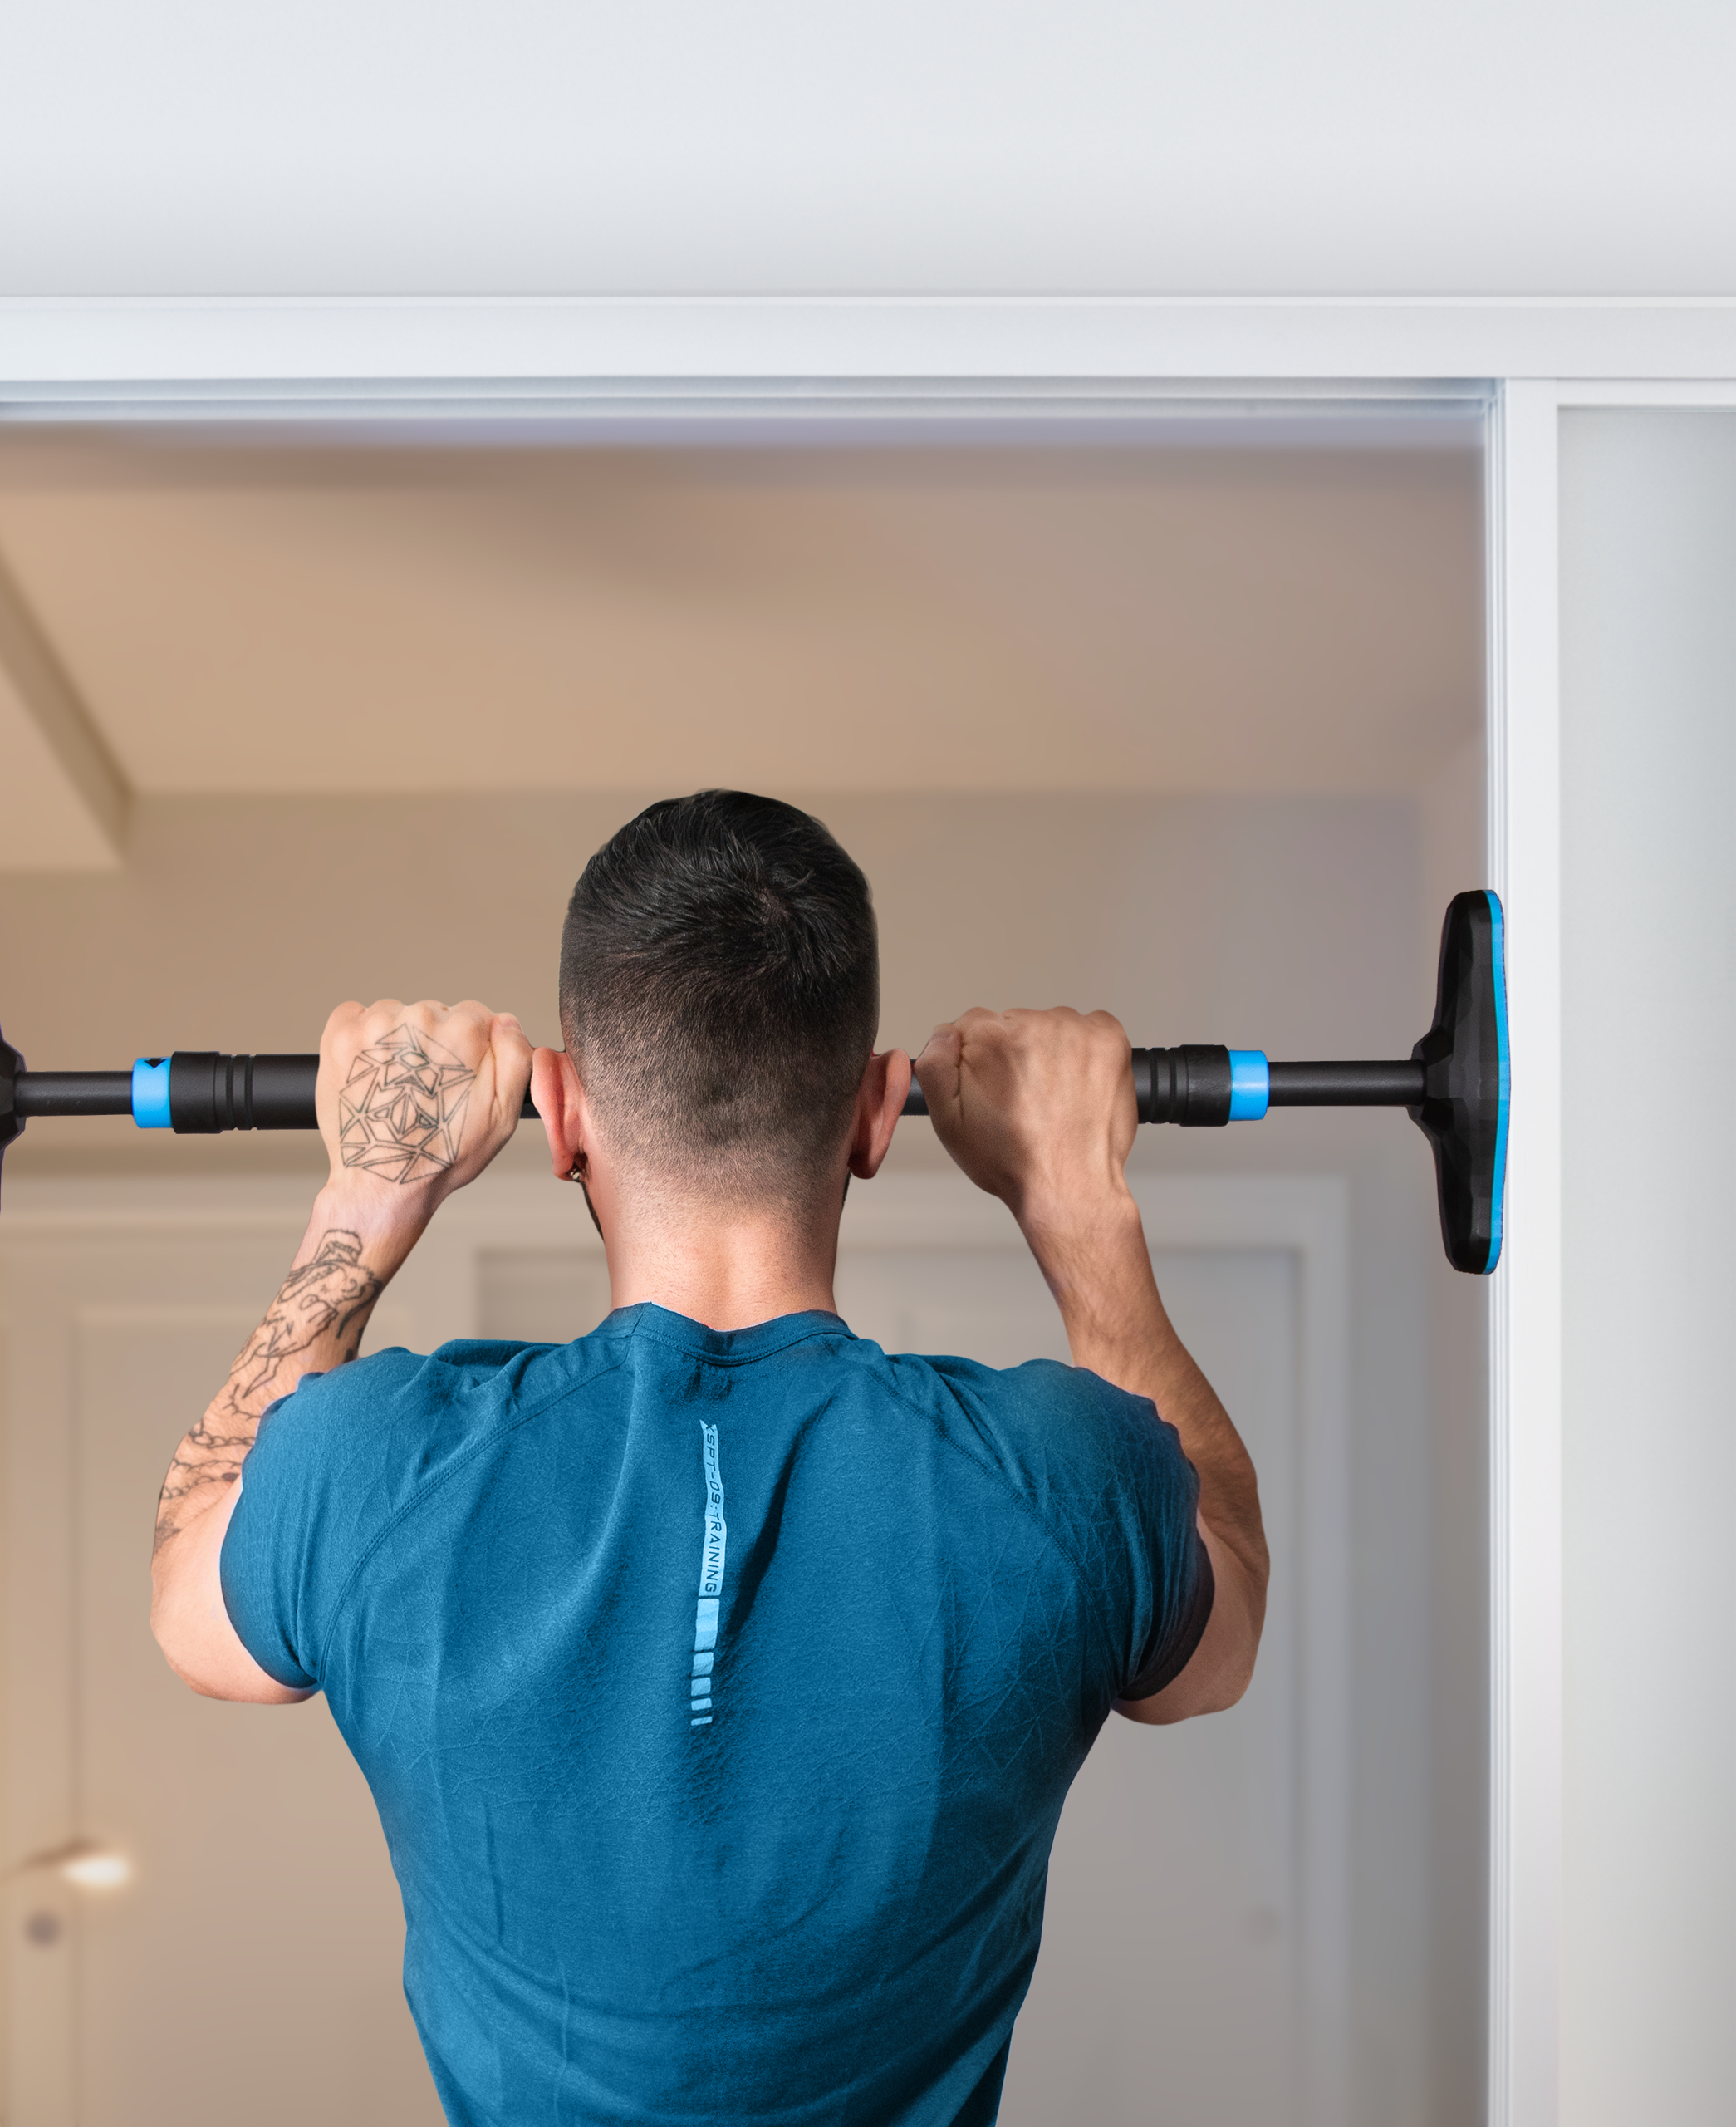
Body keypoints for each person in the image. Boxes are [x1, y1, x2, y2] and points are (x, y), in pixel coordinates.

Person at [149, 790, 1268, 2127]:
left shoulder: (376, 1469)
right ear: (875, 1119)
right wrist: (1081, 1204)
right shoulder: (1065, 1479)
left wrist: (372, 1185)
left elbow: (189, 1605)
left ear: (559, 1121)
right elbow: (1227, 1618)